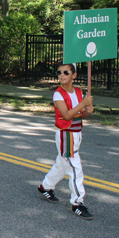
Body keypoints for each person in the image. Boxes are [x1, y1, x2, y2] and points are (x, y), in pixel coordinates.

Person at [38, 63, 94, 220]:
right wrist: (83, 104)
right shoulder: (58, 94)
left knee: (62, 165)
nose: (62, 75)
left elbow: (81, 115)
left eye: (66, 72)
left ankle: (45, 187)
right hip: (65, 135)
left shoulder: (78, 92)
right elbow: (67, 115)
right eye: (59, 73)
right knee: (75, 169)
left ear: (74, 75)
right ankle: (78, 203)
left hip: (77, 133)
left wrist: (88, 111)